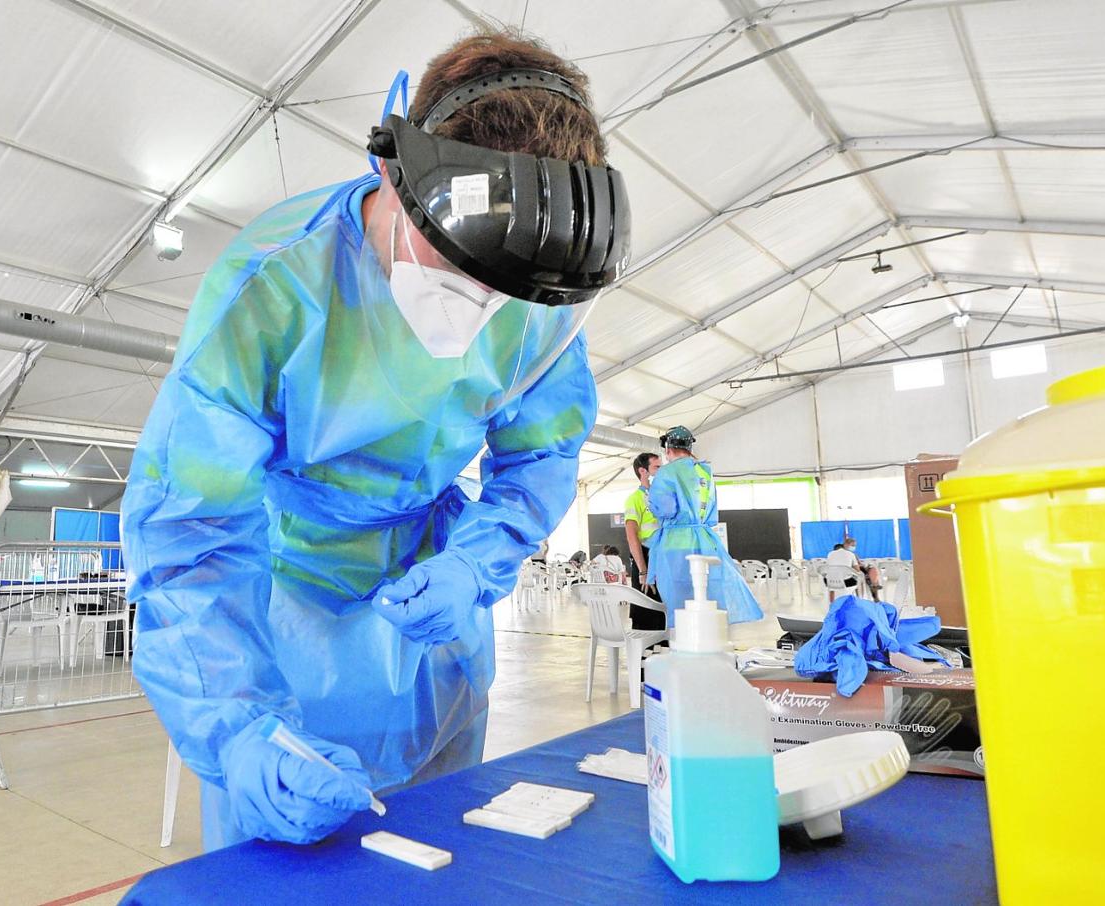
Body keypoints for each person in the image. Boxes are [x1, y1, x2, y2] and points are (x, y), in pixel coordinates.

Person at [121, 30, 630, 851]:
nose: (475, 305)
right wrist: (239, 725)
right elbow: (192, 528)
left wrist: (474, 563)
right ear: (391, 168)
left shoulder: (545, 301)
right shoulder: (275, 284)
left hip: (433, 594)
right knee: (284, 858)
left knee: (445, 841)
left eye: (502, 291)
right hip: (278, 606)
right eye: (458, 263)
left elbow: (541, 455)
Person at [646, 427, 763, 625]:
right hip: (706, 540)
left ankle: (684, 643)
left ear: (668, 449)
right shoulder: (705, 471)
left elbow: (666, 509)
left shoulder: (666, 473)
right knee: (707, 595)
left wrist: (651, 501)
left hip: (676, 543)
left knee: (680, 603)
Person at [624, 452, 663, 630]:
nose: (661, 472)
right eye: (657, 467)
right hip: (645, 559)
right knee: (646, 614)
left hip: (663, 558)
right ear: (643, 471)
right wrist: (643, 570)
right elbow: (632, 537)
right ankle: (644, 657)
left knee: (663, 612)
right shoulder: (635, 499)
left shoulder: (663, 498)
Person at [826, 537, 881, 602]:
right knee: (862, 577)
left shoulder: (830, 554)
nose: (854, 547)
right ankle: (863, 598)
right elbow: (857, 570)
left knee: (868, 573)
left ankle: (832, 605)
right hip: (847, 579)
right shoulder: (851, 554)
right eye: (852, 545)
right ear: (845, 544)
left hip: (830, 581)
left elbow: (828, 567)